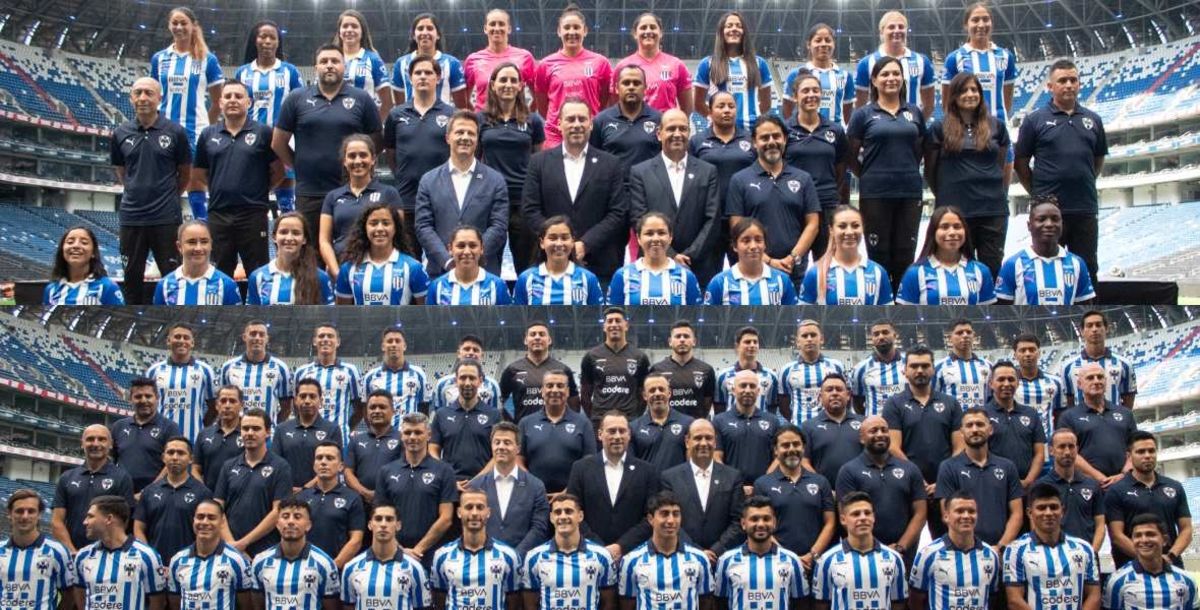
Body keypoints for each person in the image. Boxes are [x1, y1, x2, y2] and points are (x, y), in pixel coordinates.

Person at [273, 44, 382, 248]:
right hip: (309, 192)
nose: (329, 65)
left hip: (352, 192)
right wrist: (299, 165)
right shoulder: (297, 98)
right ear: (316, 67)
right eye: (324, 61)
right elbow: (278, 142)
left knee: (354, 250)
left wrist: (361, 167)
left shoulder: (361, 98)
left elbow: (376, 141)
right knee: (311, 256)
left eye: (335, 61)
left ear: (344, 66)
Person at [1015, 59, 1108, 282]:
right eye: (1062, 80)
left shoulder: (1093, 120)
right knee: (1047, 271)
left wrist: (1082, 179)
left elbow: (1098, 158)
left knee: (1085, 270)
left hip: (1084, 208)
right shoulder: (1034, 120)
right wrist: (1038, 194)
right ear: (1050, 86)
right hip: (1047, 213)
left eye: (1073, 80)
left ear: (1079, 84)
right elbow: (1020, 163)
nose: (1068, 85)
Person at [521, 99, 628, 283]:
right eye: (570, 119)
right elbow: (530, 209)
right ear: (559, 124)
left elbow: (618, 212)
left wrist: (585, 244)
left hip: (599, 264)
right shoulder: (539, 163)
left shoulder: (611, 164)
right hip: (549, 265)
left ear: (591, 124)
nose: (577, 125)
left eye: (582, 119)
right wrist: (559, 241)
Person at [847, 56, 926, 289]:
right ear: (874, 80)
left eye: (896, 74)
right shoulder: (862, 114)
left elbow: (919, 149)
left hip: (909, 192)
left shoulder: (914, 112)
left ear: (903, 78)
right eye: (885, 74)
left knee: (905, 253)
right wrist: (869, 174)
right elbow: (851, 155)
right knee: (879, 254)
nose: (891, 78)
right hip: (875, 194)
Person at [192, 80, 282, 276]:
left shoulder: (263, 132)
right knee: (218, 273)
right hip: (219, 214)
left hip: (253, 213)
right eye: (228, 96)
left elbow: (278, 172)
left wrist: (256, 190)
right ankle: (221, 309)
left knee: (258, 272)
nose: (233, 100)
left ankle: (256, 308)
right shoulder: (208, 134)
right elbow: (199, 174)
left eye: (238, 96)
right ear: (220, 102)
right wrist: (222, 187)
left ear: (248, 102)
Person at [111, 77, 188, 304]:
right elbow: (122, 171)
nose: (143, 98)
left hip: (166, 218)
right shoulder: (120, 133)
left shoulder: (176, 132)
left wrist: (166, 197)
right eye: (138, 93)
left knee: (173, 279)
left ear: (159, 99)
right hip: (132, 219)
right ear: (131, 98)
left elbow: (185, 173)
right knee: (131, 279)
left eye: (148, 93)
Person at [924, 74, 1010, 277]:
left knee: (992, 270)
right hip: (955, 213)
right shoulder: (939, 128)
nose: (970, 94)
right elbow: (930, 171)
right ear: (953, 96)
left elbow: (1002, 165)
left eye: (974, 90)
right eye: (964, 90)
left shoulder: (997, 126)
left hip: (992, 210)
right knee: (958, 270)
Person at [628, 110, 721, 287]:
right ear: (659, 134)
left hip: (698, 267)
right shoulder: (640, 172)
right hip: (653, 264)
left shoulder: (708, 171)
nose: (677, 134)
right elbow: (639, 218)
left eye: (682, 129)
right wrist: (670, 255)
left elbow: (713, 219)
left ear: (689, 132)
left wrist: (688, 257)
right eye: (671, 129)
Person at [727, 115, 821, 289]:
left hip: (793, 270)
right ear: (754, 142)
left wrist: (792, 258)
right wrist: (768, 261)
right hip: (753, 271)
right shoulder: (739, 180)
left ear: (785, 139)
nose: (771, 142)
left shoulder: (803, 178)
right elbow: (736, 227)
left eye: (776, 136)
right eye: (764, 138)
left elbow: (813, 224)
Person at [882, 345, 963, 539]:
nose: (919, 370)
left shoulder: (951, 403)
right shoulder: (894, 404)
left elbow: (960, 446)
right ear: (905, 370)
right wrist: (919, 480)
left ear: (933, 369)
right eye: (914, 366)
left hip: (944, 488)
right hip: (907, 485)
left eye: (925, 365)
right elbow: (892, 446)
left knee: (948, 544)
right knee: (904, 543)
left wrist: (941, 481)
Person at [415, 111, 509, 276]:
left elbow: (499, 226)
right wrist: (449, 261)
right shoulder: (428, 180)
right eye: (459, 132)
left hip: (484, 274)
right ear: (448, 138)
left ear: (477, 140)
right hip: (441, 272)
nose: (465, 137)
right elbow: (424, 227)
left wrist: (472, 257)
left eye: (471, 133)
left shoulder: (495, 180)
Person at [384, 55, 455, 259]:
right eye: (418, 73)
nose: (423, 77)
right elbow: (390, 153)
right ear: (410, 78)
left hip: (441, 200)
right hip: (407, 200)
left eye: (428, 72)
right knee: (408, 261)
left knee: (442, 261)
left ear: (438, 77)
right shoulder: (396, 115)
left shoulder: (452, 115)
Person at [478, 62, 545, 272]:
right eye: (503, 79)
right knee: (488, 263)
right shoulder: (480, 119)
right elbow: (476, 159)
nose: (508, 84)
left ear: (521, 86)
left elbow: (538, 160)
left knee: (526, 264)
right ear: (492, 85)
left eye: (513, 80)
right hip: (491, 200)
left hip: (523, 202)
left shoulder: (533, 120)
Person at [567, 413, 661, 562]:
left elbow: (650, 517)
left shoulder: (647, 471)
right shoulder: (580, 469)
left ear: (629, 435)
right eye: (611, 431)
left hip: (634, 557)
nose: (617, 436)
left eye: (622, 431)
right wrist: (601, 550)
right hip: (590, 556)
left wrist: (621, 547)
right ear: (600, 434)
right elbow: (573, 512)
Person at [835, 416, 926, 564]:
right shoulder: (848, 471)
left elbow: (920, 513)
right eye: (873, 431)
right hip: (864, 554)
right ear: (862, 438)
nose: (880, 434)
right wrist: (878, 549)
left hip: (904, 554)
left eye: (884, 430)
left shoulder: (910, 469)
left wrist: (899, 548)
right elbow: (846, 516)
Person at [235, 20, 304, 216]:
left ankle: (287, 226)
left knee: (285, 191)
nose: (267, 41)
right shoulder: (243, 72)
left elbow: (300, 104)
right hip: (250, 140)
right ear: (255, 40)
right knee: (252, 185)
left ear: (278, 42)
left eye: (272, 37)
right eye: (262, 36)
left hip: (282, 139)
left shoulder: (289, 71)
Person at [374, 413, 458, 564]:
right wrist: (400, 550)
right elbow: (380, 517)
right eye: (407, 433)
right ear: (401, 435)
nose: (412, 437)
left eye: (418, 432)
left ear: (428, 435)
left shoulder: (444, 471)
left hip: (432, 555)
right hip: (394, 555)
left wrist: (418, 550)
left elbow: (446, 518)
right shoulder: (386, 471)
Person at [689, 90, 756, 273]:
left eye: (731, 106)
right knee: (708, 276)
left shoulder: (750, 140)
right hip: (710, 221)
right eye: (721, 106)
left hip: (744, 218)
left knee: (745, 274)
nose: (727, 110)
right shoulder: (697, 141)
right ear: (709, 112)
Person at [935, 408, 1024, 548]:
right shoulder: (948, 467)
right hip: (964, 551)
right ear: (961, 432)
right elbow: (947, 514)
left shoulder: (1008, 467)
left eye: (980, 424)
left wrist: (1001, 547)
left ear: (990, 429)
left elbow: (1017, 513)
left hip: (1001, 551)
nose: (975, 429)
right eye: (969, 425)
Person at [1004, 484, 1101, 610]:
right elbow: (1014, 601)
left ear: (1063, 511)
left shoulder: (1084, 548)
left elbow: (1094, 597)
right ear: (1029, 512)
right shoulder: (1015, 550)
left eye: (1054, 507)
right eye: (1041, 508)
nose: (1048, 513)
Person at [661, 419, 745, 564]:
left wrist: (717, 550)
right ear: (687, 441)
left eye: (709, 438)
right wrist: (696, 551)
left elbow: (739, 521)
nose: (704, 443)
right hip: (682, 558)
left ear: (715, 442)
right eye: (698, 438)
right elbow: (669, 519)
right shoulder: (669, 478)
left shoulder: (733, 477)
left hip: (722, 559)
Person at [785, 70, 850, 257]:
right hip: (795, 205)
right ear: (795, 96)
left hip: (826, 204)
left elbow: (840, 168)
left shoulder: (835, 130)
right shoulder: (785, 130)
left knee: (827, 265)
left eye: (815, 90)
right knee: (794, 263)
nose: (811, 95)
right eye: (805, 91)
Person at [1105, 431, 1192, 569]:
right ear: (1129, 456)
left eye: (1151, 451)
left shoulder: (1174, 487)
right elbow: (1116, 535)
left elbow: (1186, 529)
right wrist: (1148, 559)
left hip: (1171, 565)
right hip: (1131, 569)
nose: (1147, 456)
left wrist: (1170, 556)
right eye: (1141, 452)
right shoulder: (1116, 491)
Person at [213, 408, 293, 557]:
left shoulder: (281, 467)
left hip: (266, 551)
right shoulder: (228, 466)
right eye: (245, 428)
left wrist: (244, 543)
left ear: (268, 432)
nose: (250, 433)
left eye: (256, 429)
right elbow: (217, 509)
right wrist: (234, 546)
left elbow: (278, 511)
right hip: (230, 550)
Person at [319, 134, 404, 271]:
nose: (358, 161)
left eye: (363, 155)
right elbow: (324, 241)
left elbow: (398, 237)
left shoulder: (389, 194)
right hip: (341, 269)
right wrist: (337, 273)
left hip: (379, 271)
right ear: (344, 161)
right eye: (352, 156)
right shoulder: (332, 197)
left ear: (373, 159)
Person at [752, 424, 835, 563]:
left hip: (815, 562)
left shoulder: (821, 482)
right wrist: (787, 558)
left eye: (796, 444)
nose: (791, 449)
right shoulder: (762, 484)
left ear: (803, 448)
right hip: (777, 562)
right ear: (776, 451)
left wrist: (811, 555)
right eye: (785, 445)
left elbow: (830, 523)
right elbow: (760, 524)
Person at [533, 5, 613, 149]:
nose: (571, 32)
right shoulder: (545, 65)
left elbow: (604, 100)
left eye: (576, 27)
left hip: (590, 134)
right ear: (559, 31)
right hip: (555, 136)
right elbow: (542, 105)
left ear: (585, 31)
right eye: (567, 27)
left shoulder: (601, 63)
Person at [618, 491, 714, 610]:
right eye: (664, 514)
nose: (671, 520)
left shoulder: (699, 559)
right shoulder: (631, 561)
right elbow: (628, 605)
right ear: (650, 519)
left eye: (676, 514)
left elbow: (706, 602)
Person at [812, 492, 907, 610]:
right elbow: (822, 604)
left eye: (867, 513)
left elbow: (898, 602)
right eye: (856, 514)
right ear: (843, 519)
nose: (863, 518)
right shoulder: (827, 560)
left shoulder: (893, 558)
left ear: (873, 517)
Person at [467, 422, 551, 556]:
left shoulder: (536, 486)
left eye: (507, 442)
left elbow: (539, 527)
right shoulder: (476, 486)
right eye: (497, 442)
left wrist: (515, 556)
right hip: (484, 560)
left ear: (518, 449)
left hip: (522, 562)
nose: (501, 447)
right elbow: (469, 525)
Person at [523, 493, 617, 610]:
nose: (562, 516)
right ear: (551, 517)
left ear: (580, 516)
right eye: (558, 512)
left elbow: (609, 603)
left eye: (568, 511)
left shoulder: (601, 556)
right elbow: (530, 604)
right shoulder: (534, 557)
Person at [910, 491, 1002, 610]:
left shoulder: (990, 555)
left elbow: (991, 597)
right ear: (946, 516)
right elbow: (915, 599)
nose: (966, 516)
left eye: (971, 511)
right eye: (959, 511)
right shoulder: (928, 554)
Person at [430, 489, 521, 610]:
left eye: (480, 507)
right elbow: (439, 599)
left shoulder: (509, 556)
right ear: (459, 512)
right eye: (468, 507)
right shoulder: (442, 556)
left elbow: (514, 601)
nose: (474, 513)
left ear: (488, 512)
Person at [72, 495, 166, 610]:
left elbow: (158, 603)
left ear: (109, 519)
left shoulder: (146, 556)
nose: (85, 522)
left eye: (90, 516)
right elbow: (80, 599)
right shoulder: (83, 556)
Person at [996, 197, 1095, 305]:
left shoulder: (1077, 263)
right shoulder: (1013, 264)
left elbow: (1085, 307)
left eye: (1055, 219)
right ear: (1029, 225)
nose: (1049, 224)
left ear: (1062, 224)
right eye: (1041, 219)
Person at [52, 425, 136, 553]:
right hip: (72, 554)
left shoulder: (122, 477)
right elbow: (57, 521)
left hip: (106, 555)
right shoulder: (67, 477)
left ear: (111, 444)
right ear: (82, 444)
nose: (95, 444)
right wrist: (73, 552)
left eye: (101, 439)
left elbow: (124, 523)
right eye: (90, 439)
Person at [715, 496, 808, 610]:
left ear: (774, 522)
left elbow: (801, 603)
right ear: (743, 523)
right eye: (754, 519)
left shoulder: (792, 560)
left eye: (766, 519)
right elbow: (720, 602)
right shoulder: (726, 560)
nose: (760, 524)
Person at [248, 496, 341, 610]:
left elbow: (332, 606)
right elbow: (257, 605)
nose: (291, 522)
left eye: (297, 517)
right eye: (285, 516)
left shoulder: (324, 563)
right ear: (277, 524)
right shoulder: (260, 561)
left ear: (308, 525)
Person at [150, 7, 223, 149]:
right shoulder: (159, 58)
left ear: (193, 26)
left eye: (183, 23)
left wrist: (206, 129)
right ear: (169, 25)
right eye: (174, 23)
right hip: (163, 131)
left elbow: (217, 102)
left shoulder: (208, 60)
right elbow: (153, 96)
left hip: (195, 133)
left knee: (193, 172)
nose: (179, 27)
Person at [1056, 362, 1137, 486]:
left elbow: (1135, 447)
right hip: (1088, 485)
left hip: (1124, 483)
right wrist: (1099, 478)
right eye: (1090, 378)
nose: (1096, 381)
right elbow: (1069, 452)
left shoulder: (1125, 413)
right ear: (1079, 384)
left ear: (1106, 382)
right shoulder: (1068, 417)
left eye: (1100, 377)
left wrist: (1123, 475)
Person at [133, 436, 212, 564]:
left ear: (191, 458)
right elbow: (138, 528)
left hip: (189, 564)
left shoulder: (203, 493)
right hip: (154, 565)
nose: (175, 457)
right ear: (163, 457)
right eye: (170, 453)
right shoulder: (149, 491)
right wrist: (150, 558)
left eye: (181, 453)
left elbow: (208, 532)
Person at [897, 207, 998, 305]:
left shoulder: (981, 270)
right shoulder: (915, 272)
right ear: (933, 232)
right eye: (944, 227)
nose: (952, 232)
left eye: (957, 227)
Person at [518, 369, 596, 494]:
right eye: (549, 386)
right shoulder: (525, 423)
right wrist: (534, 487)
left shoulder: (583, 423)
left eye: (560, 386)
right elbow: (518, 460)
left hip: (571, 498)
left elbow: (589, 463)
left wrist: (569, 490)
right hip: (534, 496)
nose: (555, 390)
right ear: (542, 391)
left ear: (568, 391)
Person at [334, 203, 430, 305]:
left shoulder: (413, 267)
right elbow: (342, 315)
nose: (379, 229)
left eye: (386, 223)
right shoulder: (348, 269)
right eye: (373, 223)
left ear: (395, 228)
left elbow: (425, 314)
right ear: (364, 228)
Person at [341, 504, 432, 610]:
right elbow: (348, 606)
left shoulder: (415, 569)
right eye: (378, 519)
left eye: (389, 519)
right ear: (370, 525)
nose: (383, 524)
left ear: (398, 525)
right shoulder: (351, 568)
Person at [166, 499, 253, 610]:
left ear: (222, 522)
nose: (205, 522)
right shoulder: (177, 560)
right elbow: (175, 603)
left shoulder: (236, 560)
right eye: (200, 517)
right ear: (194, 520)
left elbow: (247, 604)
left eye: (211, 518)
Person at [693, 11, 773, 131]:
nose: (734, 29)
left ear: (744, 32)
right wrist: (715, 118)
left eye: (739, 26)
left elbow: (766, 103)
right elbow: (698, 103)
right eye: (729, 26)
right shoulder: (707, 64)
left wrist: (752, 117)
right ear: (721, 32)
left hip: (751, 132)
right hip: (720, 131)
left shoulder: (759, 63)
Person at [800, 205, 892, 305]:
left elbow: (886, 318)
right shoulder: (816, 272)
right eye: (842, 226)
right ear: (831, 230)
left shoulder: (878, 272)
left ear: (863, 229)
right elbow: (805, 317)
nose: (849, 232)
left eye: (855, 226)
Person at [0, 489, 74, 610]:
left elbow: (70, 595)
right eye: (19, 511)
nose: (25, 516)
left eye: (31, 511)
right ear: (9, 513)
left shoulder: (57, 552)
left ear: (39, 514)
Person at [1103, 515, 1197, 610]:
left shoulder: (1186, 580)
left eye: (1150, 534)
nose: (1143, 540)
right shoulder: (1117, 581)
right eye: (1138, 535)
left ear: (1164, 540)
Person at [295, 442, 365, 568]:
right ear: (314, 465)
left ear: (340, 466)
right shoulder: (301, 498)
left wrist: (332, 567)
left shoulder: (353, 498)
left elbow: (356, 540)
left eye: (330, 458)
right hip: (302, 568)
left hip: (336, 570)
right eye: (319, 458)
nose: (323, 462)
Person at [1035, 429, 1107, 550]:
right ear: (1051, 450)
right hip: (1056, 559)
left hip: (1087, 557)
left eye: (1071, 446)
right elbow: (1036, 527)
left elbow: (1100, 525)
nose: (1067, 452)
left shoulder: (1092, 485)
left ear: (1077, 449)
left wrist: (1091, 553)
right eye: (1062, 447)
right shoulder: (1041, 486)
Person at [611, 213, 705, 306]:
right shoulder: (622, 275)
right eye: (649, 233)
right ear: (638, 238)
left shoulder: (686, 276)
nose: (656, 238)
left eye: (661, 233)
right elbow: (614, 315)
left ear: (670, 238)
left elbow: (694, 317)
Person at [430, 359, 501, 481]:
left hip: (484, 485)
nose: (467, 383)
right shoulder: (441, 414)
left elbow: (498, 454)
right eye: (463, 378)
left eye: (472, 378)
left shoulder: (494, 415)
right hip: (450, 485)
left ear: (480, 381)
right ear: (455, 381)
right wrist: (447, 478)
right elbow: (432, 449)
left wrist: (479, 479)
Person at [853, 10, 936, 114]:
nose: (897, 30)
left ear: (906, 31)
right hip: (877, 128)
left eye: (901, 27)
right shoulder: (866, 63)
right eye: (891, 27)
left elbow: (929, 105)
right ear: (882, 32)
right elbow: (860, 106)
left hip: (912, 128)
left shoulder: (922, 62)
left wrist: (917, 125)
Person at [145, 323, 216, 444]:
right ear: (168, 340)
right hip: (160, 440)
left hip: (192, 440)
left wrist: (201, 426)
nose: (182, 340)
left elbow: (213, 406)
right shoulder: (154, 371)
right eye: (177, 337)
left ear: (192, 343)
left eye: (186, 337)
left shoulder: (205, 370)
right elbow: (147, 406)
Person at [580, 307, 652, 424]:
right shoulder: (591, 356)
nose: (614, 324)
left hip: (630, 421)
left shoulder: (639, 357)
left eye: (618, 321)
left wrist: (634, 416)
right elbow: (585, 395)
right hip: (600, 422)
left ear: (626, 325)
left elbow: (642, 395)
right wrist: (596, 418)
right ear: (604, 327)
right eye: (610, 321)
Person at [110, 377, 182, 493]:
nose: (143, 400)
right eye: (138, 397)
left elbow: (171, 464)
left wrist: (148, 492)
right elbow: (111, 460)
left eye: (148, 396)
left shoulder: (170, 427)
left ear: (157, 398)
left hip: (157, 494)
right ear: (130, 399)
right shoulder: (118, 426)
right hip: (122, 494)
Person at [513, 216, 605, 305]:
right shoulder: (526, 279)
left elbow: (598, 318)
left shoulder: (588, 279)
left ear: (573, 241)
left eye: (564, 238)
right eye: (553, 238)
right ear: (542, 243)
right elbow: (517, 319)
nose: (559, 243)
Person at [705, 218, 799, 305]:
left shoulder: (782, 280)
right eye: (746, 241)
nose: (753, 246)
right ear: (734, 246)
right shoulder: (719, 282)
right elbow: (708, 320)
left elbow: (794, 319)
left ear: (765, 244)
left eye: (758, 240)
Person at [983, 361, 1046, 493]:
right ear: (991, 384)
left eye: (1011, 379)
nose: (1006, 384)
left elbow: (1040, 453)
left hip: (1027, 487)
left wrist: (1029, 480)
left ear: (1017, 383)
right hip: (993, 486)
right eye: (1001, 379)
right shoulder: (982, 415)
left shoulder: (1031, 414)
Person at [271, 379, 344, 491]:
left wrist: (305, 489)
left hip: (318, 494)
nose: (307, 401)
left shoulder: (332, 429)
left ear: (321, 401)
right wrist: (287, 488)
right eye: (303, 396)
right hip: (287, 494)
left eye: (312, 396)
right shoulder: (281, 429)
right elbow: (275, 464)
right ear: (295, 400)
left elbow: (334, 466)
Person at [295, 325, 363, 444]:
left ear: (338, 342)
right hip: (307, 440)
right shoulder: (302, 372)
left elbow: (360, 409)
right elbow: (296, 405)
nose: (325, 339)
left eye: (330, 336)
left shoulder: (351, 371)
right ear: (315, 341)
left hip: (339, 440)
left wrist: (345, 428)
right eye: (321, 336)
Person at [248, 212, 335, 305]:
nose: (289, 238)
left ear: (304, 239)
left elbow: (329, 318)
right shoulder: (257, 277)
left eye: (296, 233)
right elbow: (252, 318)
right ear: (274, 237)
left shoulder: (320, 277)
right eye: (283, 232)